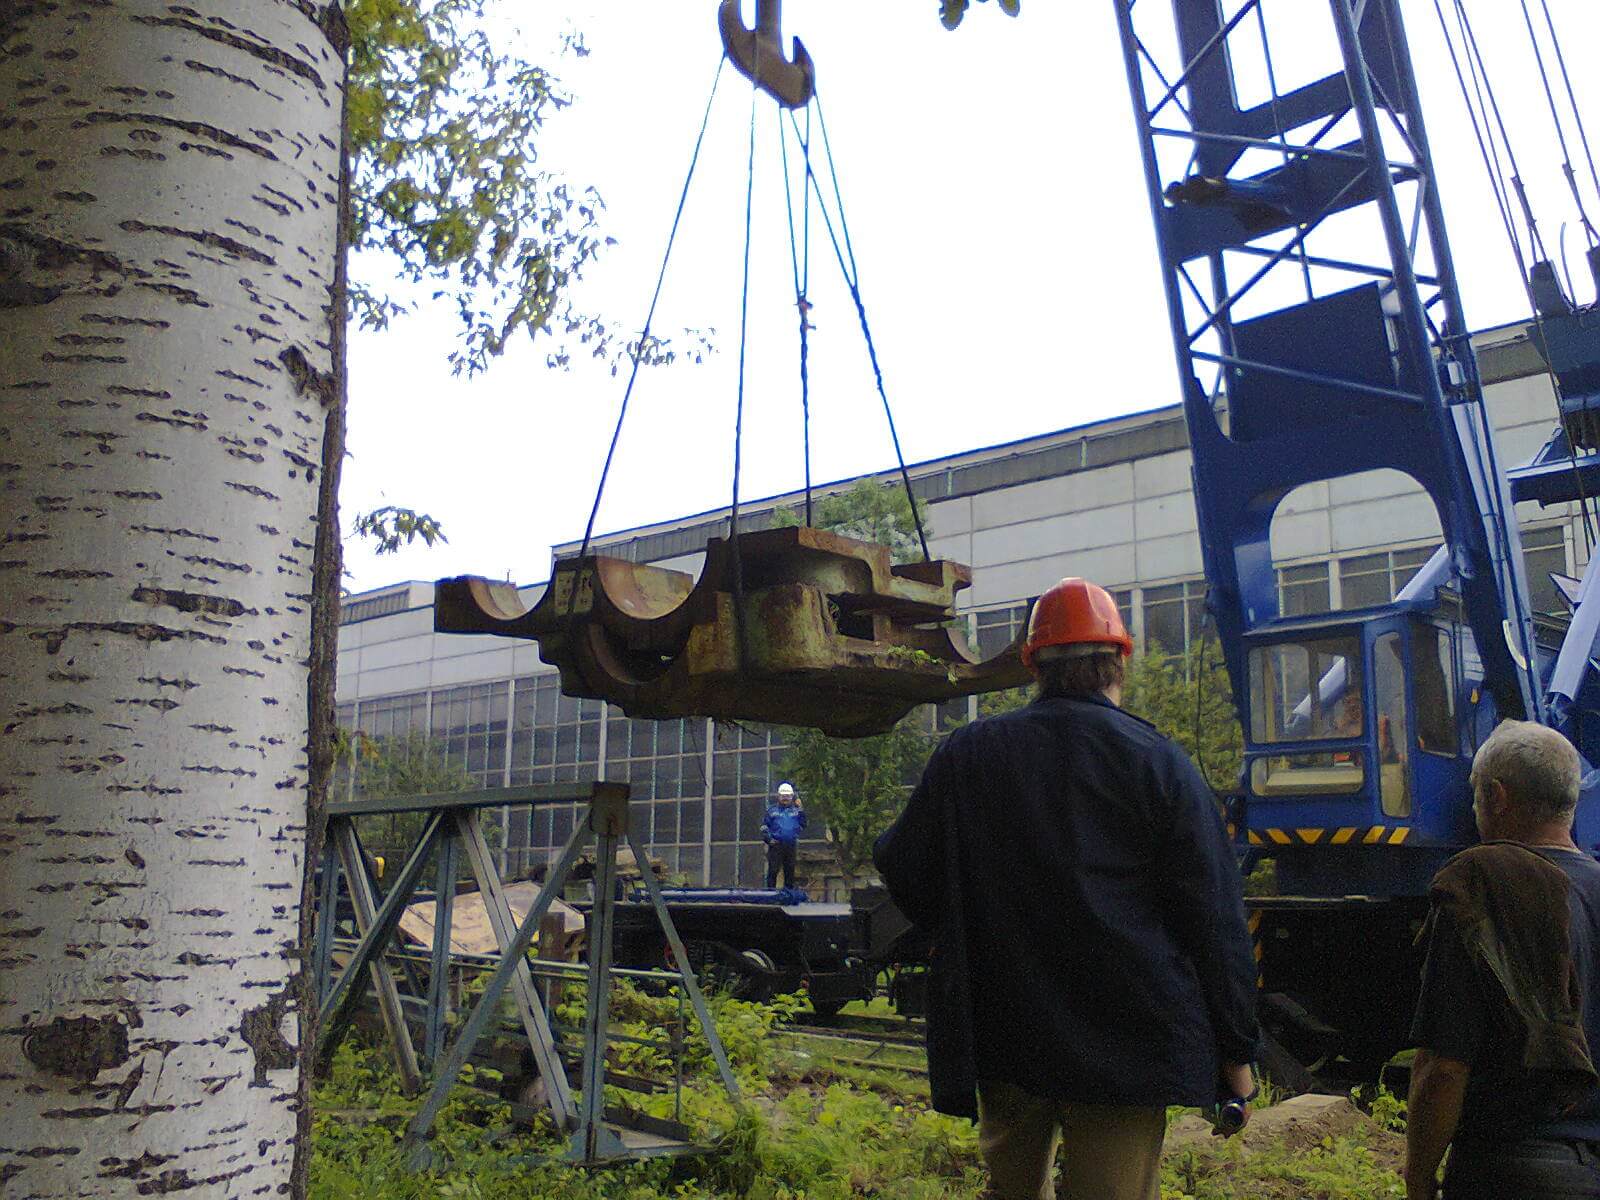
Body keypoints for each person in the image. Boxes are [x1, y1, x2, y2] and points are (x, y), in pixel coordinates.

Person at [873, 577, 1259, 1200]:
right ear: (1118, 662)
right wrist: (1236, 1054)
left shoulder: (970, 754)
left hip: (1007, 1028)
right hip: (1126, 1045)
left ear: (1034, 666)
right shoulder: (1160, 763)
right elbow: (1213, 920)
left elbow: (903, 863)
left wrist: (968, 928)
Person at [1405, 720, 1600, 1200]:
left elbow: (1444, 1066)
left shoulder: (1482, 887)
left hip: (1518, 1167)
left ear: (1496, 796)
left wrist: (1419, 1176)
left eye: (1474, 796)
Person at [762, 781, 806, 889]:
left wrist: (801, 809)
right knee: (773, 870)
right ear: (779, 796)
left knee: (790, 871)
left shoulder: (796, 811)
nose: (785, 798)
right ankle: (770, 894)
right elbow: (764, 827)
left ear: (792, 796)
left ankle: (788, 894)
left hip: (790, 845)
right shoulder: (772, 810)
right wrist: (769, 839)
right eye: (783, 796)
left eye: (787, 796)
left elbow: (804, 824)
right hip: (776, 845)